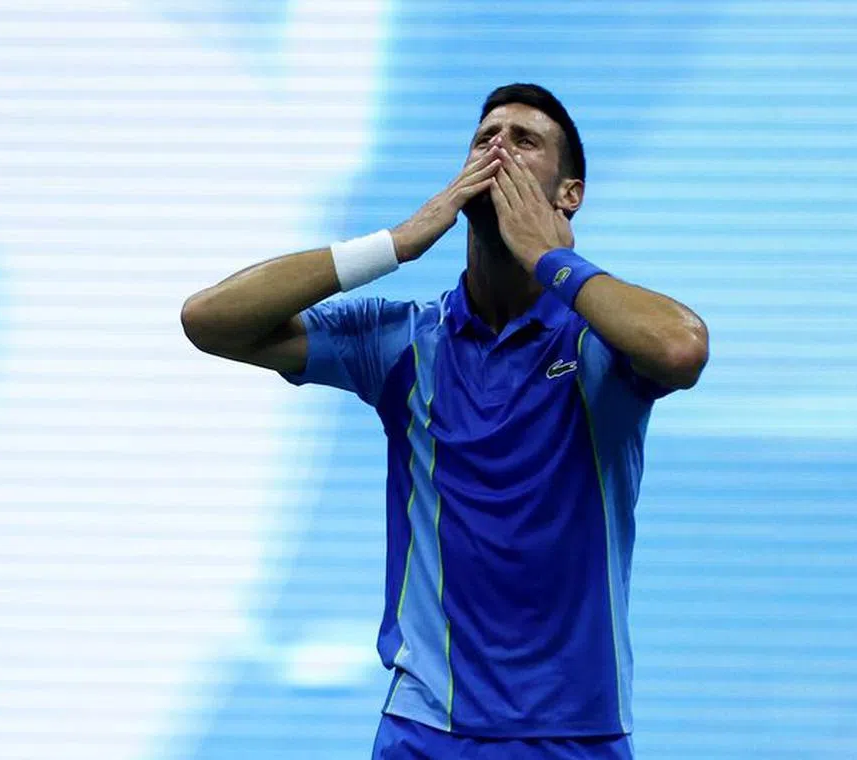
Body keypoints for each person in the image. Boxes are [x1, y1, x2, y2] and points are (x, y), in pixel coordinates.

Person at [181, 83, 709, 759]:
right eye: (485, 139)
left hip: (575, 731)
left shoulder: (600, 342)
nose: (498, 150)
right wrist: (396, 243)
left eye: (524, 141)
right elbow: (209, 321)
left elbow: (681, 348)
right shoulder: (404, 340)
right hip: (425, 730)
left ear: (568, 194)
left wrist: (551, 260)